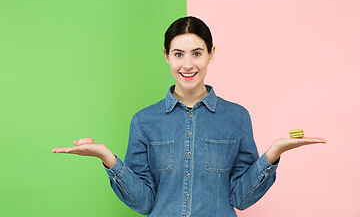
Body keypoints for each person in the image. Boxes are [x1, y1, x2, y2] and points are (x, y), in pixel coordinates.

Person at [52, 16, 326, 217]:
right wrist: (108, 159)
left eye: (197, 53)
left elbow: (240, 199)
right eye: (178, 54)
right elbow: (145, 203)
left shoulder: (237, 117)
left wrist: (272, 155)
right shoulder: (144, 121)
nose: (187, 64)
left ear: (211, 54)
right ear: (166, 57)